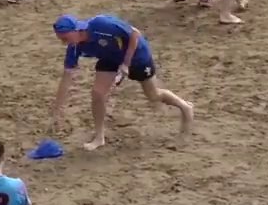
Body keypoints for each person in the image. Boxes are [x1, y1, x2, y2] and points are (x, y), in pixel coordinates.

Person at [50, 14, 194, 150]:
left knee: (153, 95)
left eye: (65, 38)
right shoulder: (74, 48)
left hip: (136, 55)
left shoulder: (101, 24)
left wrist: (126, 63)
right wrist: (57, 110)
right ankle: (99, 137)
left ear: (76, 30)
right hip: (110, 57)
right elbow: (66, 78)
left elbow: (134, 34)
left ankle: (185, 107)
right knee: (97, 94)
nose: (64, 42)